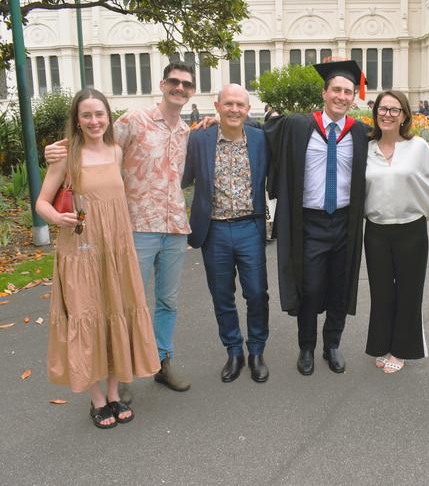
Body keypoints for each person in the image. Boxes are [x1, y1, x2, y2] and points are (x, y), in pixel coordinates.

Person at [45, 62, 195, 401]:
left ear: (192, 91)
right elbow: (93, 141)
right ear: (162, 83)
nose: (179, 88)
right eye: (174, 81)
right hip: (133, 228)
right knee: (127, 301)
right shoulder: (132, 121)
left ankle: (161, 361)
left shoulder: (187, 131)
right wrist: (56, 151)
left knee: (167, 302)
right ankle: (123, 373)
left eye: (186, 84)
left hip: (174, 227)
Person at [36, 88, 160, 429]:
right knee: (86, 317)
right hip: (81, 253)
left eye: (99, 114)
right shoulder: (66, 156)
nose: (94, 121)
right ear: (77, 119)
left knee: (114, 314)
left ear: (108, 116)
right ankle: (97, 400)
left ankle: (115, 392)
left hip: (116, 251)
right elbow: (42, 202)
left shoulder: (116, 151)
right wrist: (57, 219)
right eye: (87, 115)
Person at [264, 60, 369, 376]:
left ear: (353, 97)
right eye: (336, 89)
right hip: (310, 222)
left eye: (347, 92)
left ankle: (332, 345)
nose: (341, 96)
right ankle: (306, 347)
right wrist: (219, 124)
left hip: (345, 222)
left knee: (340, 285)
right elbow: (260, 135)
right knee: (309, 288)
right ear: (324, 93)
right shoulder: (297, 126)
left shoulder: (361, 133)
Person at [182, 84, 270, 383]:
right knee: (222, 296)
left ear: (248, 110)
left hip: (250, 227)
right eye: (228, 104)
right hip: (214, 230)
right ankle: (234, 351)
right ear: (216, 106)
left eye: (240, 105)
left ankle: (256, 351)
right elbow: (181, 177)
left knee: (257, 293)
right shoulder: (199, 139)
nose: (234, 109)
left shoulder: (260, 139)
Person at [364, 90, 429, 373]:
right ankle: (381, 344)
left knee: (409, 292)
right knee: (382, 292)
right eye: (382, 109)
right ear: (375, 114)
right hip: (376, 231)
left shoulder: (418, 147)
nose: (387, 114)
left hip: (411, 229)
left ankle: (401, 350)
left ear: (404, 116)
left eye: (394, 110)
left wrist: (426, 208)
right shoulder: (366, 147)